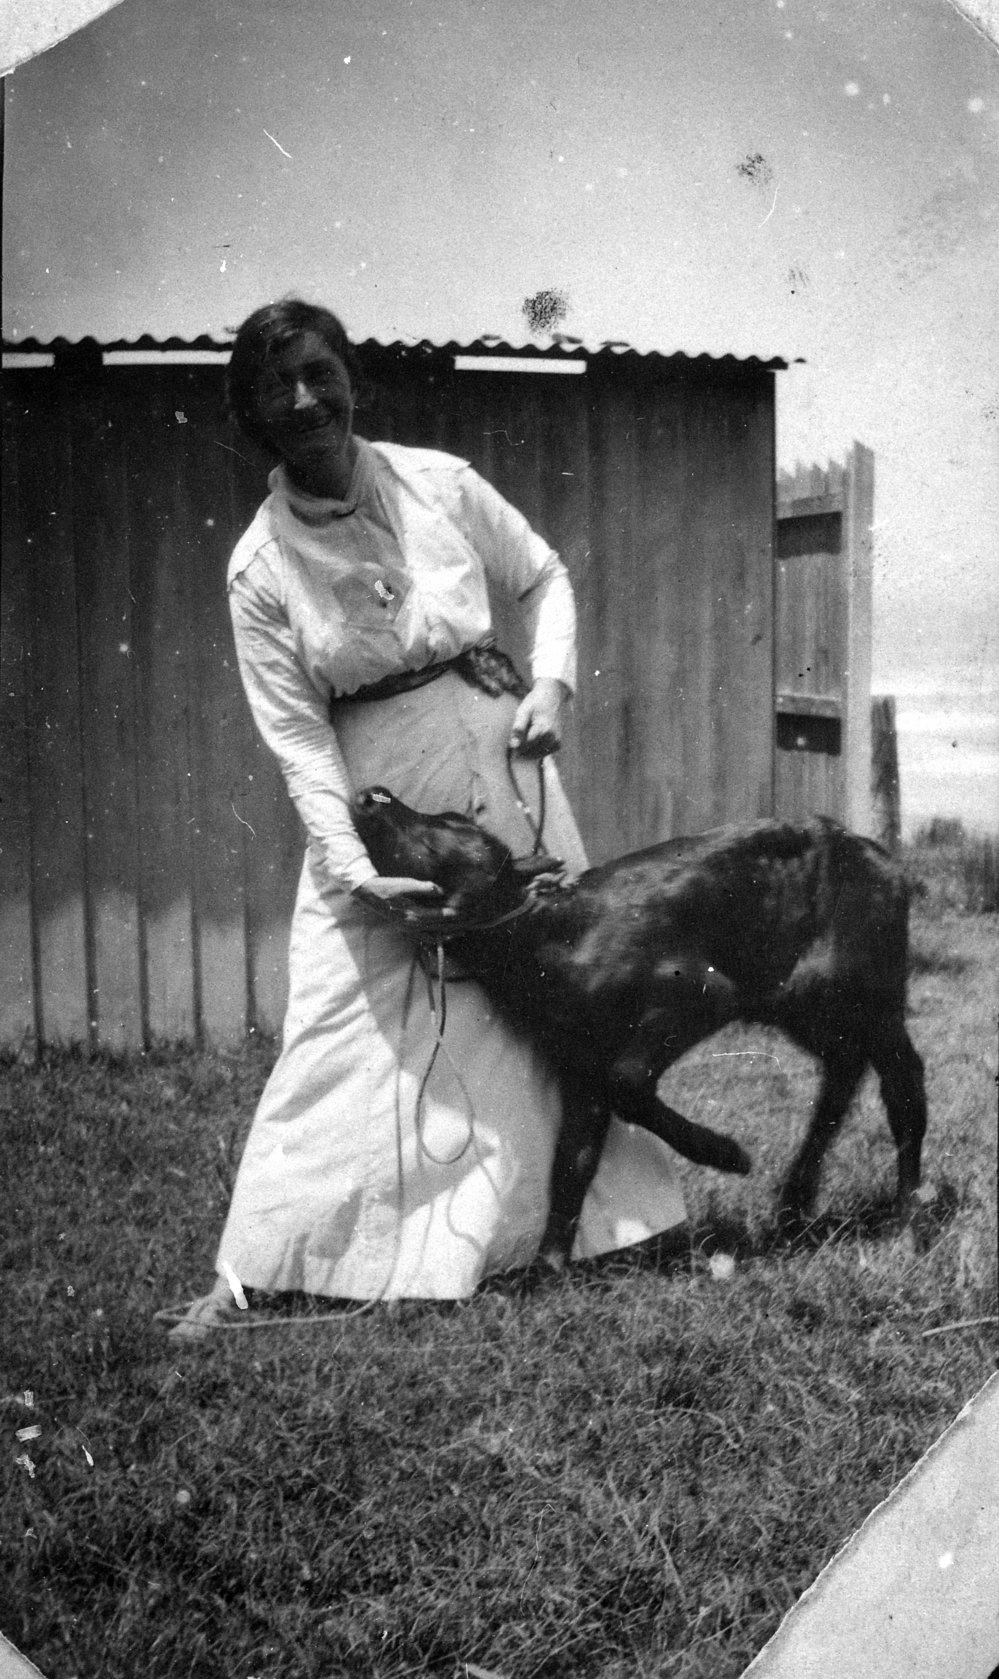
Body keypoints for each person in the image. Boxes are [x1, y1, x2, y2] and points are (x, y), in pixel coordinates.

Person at [168, 298, 688, 1340]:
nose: (307, 399)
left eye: (321, 371)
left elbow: (540, 573)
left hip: (504, 774)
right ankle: (262, 1272)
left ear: (352, 375)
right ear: (254, 415)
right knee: (340, 1021)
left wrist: (551, 685)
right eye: (279, 387)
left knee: (565, 988)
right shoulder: (258, 567)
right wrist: (358, 871)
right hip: (383, 812)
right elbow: (300, 739)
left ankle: (616, 1224)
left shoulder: (439, 482)